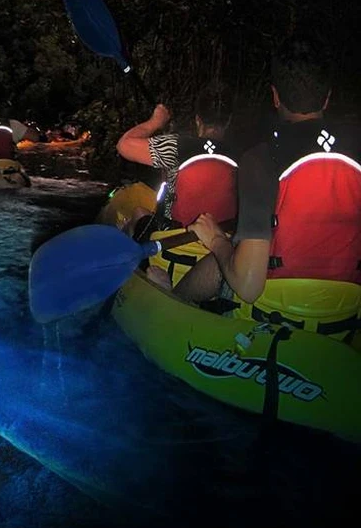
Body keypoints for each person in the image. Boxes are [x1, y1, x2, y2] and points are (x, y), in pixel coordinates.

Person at [175, 36, 361, 325]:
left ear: (275, 97)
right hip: (347, 311)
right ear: (327, 97)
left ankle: (171, 300)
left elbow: (248, 286)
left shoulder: (260, 160)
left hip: (274, 314)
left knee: (224, 256)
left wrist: (216, 240)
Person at [116, 84, 238, 240]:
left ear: (198, 120)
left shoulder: (176, 147)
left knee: (139, 213)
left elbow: (124, 145)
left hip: (174, 240)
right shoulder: (241, 154)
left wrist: (156, 121)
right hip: (221, 240)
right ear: (228, 121)